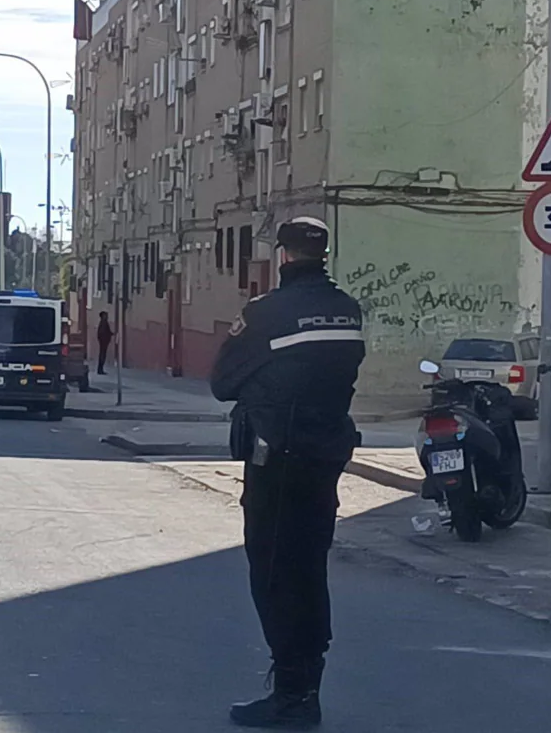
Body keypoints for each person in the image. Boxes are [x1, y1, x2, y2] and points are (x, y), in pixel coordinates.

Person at [209, 217, 365, 730]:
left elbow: (223, 382)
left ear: (282, 255)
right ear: (323, 254)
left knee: (274, 574)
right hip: (326, 459)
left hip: (276, 459)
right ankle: (307, 689)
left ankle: (292, 696)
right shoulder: (347, 311)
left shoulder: (266, 312)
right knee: (310, 570)